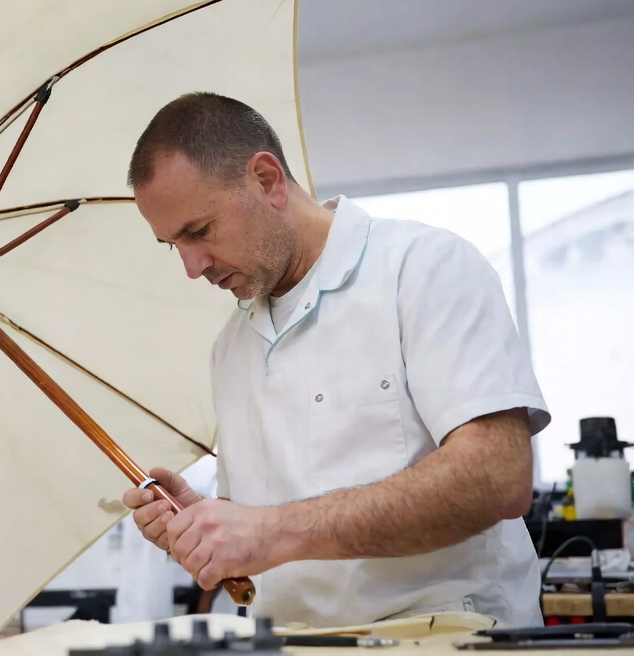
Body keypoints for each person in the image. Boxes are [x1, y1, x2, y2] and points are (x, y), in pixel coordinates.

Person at [121, 92, 549, 628]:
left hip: (447, 645)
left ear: (267, 180)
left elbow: (497, 477)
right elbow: (263, 541)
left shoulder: (424, 269)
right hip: (293, 654)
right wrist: (206, 528)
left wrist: (270, 532)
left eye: (200, 231)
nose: (191, 266)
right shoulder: (231, 348)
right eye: (172, 245)